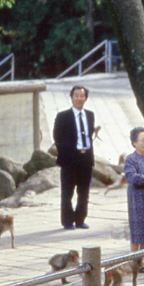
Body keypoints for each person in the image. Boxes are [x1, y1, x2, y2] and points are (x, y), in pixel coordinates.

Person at [54, 85, 97, 230]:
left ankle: (80, 220)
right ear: (71, 97)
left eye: (82, 96)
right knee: (67, 192)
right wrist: (65, 153)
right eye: (76, 95)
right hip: (70, 159)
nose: (79, 98)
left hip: (86, 158)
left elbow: (90, 135)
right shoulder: (63, 116)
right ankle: (67, 221)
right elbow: (57, 137)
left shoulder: (90, 115)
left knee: (84, 192)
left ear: (86, 98)